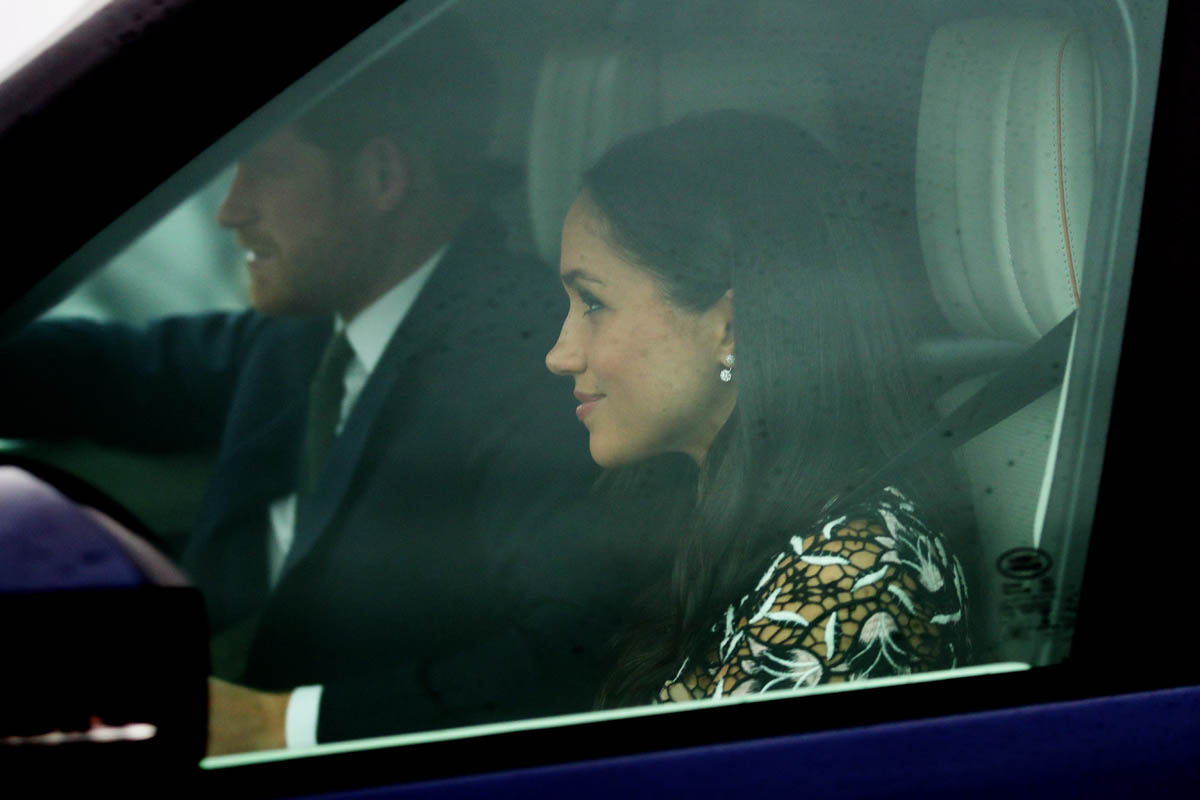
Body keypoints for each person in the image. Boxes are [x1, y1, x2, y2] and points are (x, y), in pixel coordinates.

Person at [0, 16, 630, 751]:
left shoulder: (542, 366)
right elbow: (108, 372)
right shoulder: (302, 332)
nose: (232, 209)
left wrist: (282, 729)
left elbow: (573, 651)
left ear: (382, 178)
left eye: (265, 169)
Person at [544, 111, 973, 707]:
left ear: (731, 326)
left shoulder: (847, 581)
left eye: (593, 302)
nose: (558, 356)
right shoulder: (701, 507)